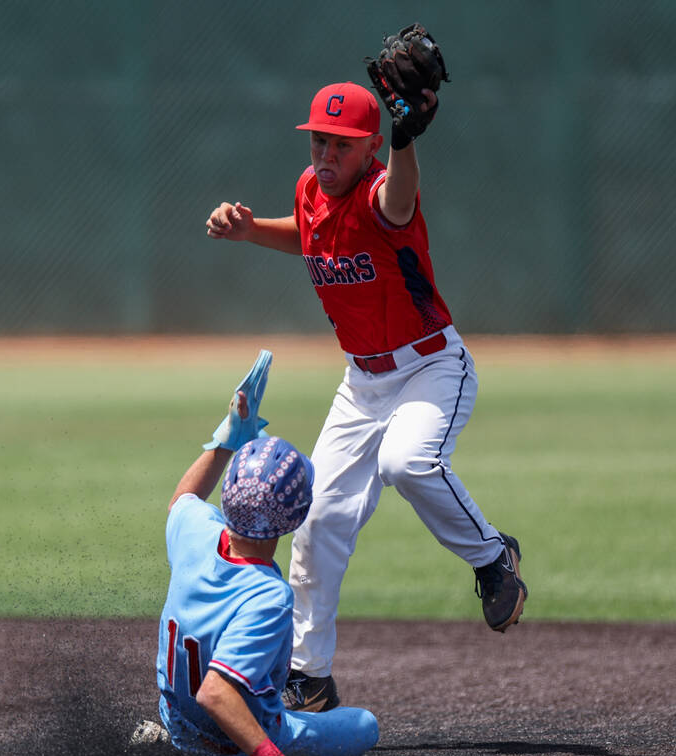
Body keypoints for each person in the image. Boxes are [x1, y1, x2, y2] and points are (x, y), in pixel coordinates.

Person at [204, 80, 528, 713]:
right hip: (362, 382)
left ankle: (493, 559)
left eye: (342, 146)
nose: (326, 156)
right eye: (319, 141)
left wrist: (407, 140)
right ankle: (310, 677)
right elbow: (310, 233)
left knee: (408, 462)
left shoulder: (385, 195)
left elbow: (401, 193)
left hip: (432, 365)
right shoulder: (310, 189)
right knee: (316, 518)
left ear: (370, 147)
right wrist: (249, 233)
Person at [152, 351, 378, 756]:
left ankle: (167, 734)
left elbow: (183, 500)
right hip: (229, 744)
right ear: (295, 518)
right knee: (365, 726)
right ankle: (253, 750)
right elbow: (216, 693)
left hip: (177, 726)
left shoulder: (195, 530)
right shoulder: (269, 596)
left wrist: (226, 440)